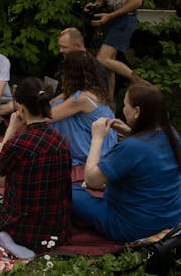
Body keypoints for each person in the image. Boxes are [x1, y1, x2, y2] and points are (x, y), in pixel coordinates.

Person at [0, 77, 72, 258]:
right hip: (58, 227)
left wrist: (10, 131)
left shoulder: (17, 144)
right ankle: (5, 238)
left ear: (20, 108)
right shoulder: (62, 140)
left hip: (22, 228)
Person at [73, 83, 181, 241]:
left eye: (125, 105)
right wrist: (130, 133)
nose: (123, 110)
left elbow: (91, 179)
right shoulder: (171, 133)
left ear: (136, 111)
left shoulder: (132, 147)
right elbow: (149, 152)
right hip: (170, 218)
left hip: (132, 226)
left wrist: (97, 137)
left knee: (66, 190)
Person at [86, 0, 143, 100]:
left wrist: (111, 16)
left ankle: (142, 83)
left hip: (125, 18)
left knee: (101, 59)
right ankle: (109, 103)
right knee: (108, 64)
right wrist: (95, 5)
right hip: (108, 20)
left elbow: (137, 0)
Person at [50, 51, 117, 180]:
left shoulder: (81, 99)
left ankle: (55, 148)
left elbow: (48, 116)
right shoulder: (94, 90)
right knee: (60, 104)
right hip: (105, 140)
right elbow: (62, 97)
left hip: (100, 148)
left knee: (60, 114)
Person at [53, 27, 107, 95]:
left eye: (64, 47)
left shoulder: (95, 67)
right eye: (60, 46)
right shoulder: (64, 62)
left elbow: (99, 96)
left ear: (78, 46)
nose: (60, 50)